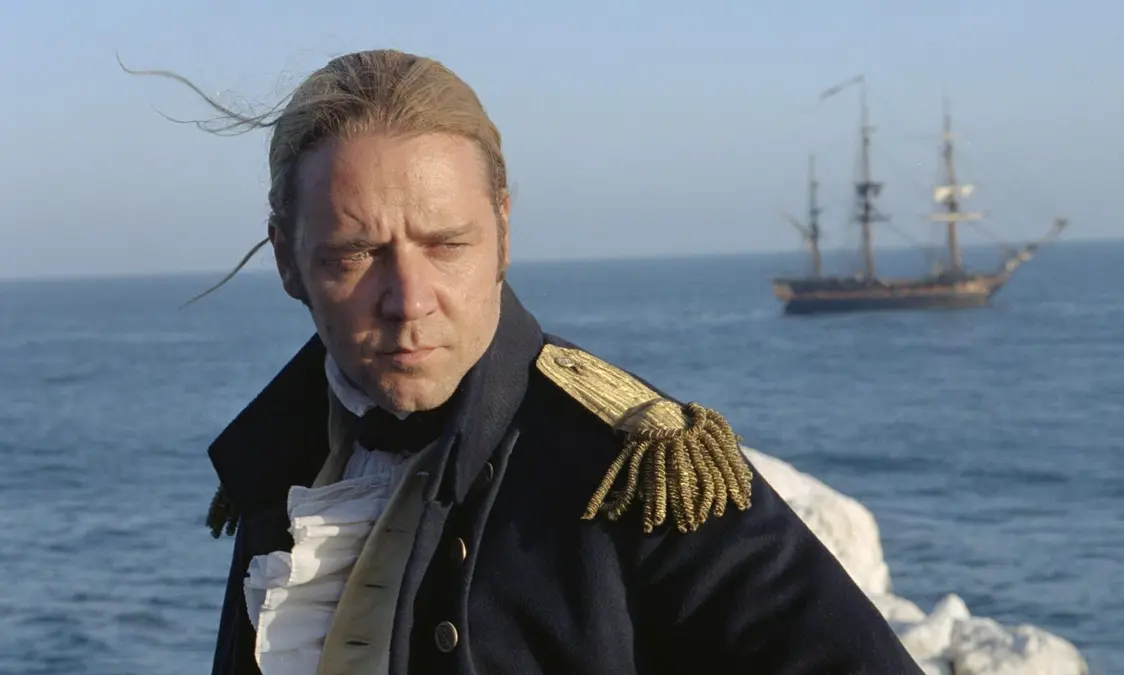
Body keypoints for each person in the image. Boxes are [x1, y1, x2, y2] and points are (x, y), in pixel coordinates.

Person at [129, 49, 923, 675]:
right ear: (287, 260)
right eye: (355, 255)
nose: (409, 299)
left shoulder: (637, 469)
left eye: (447, 245)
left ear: (503, 233)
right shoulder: (280, 460)